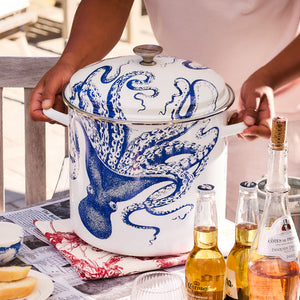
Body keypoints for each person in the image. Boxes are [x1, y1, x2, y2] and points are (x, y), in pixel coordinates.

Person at [30, 0, 300, 219]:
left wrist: (269, 78)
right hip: (180, 121)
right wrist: (71, 62)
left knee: (264, 252)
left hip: (270, 119)